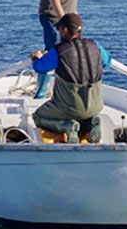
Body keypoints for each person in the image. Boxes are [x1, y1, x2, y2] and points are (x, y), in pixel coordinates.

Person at [30, 12, 111, 143]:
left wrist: (36, 57)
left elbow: (40, 67)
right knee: (82, 115)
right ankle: (90, 124)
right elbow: (107, 61)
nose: (58, 32)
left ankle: (65, 126)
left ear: (65, 30)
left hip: (69, 107)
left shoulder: (59, 51)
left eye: (59, 29)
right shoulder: (95, 45)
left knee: (38, 116)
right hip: (96, 105)